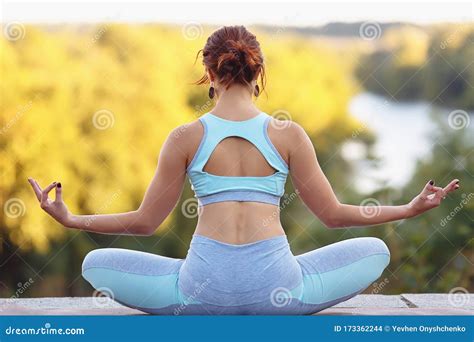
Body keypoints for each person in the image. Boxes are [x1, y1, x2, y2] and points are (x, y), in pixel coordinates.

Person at [28, 25, 460, 315]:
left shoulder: (185, 137)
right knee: (375, 252)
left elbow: (145, 223)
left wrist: (71, 218)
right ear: (259, 75)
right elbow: (333, 216)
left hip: (199, 293)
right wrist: (407, 208)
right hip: (280, 292)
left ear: (209, 74)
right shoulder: (288, 135)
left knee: (95, 262)